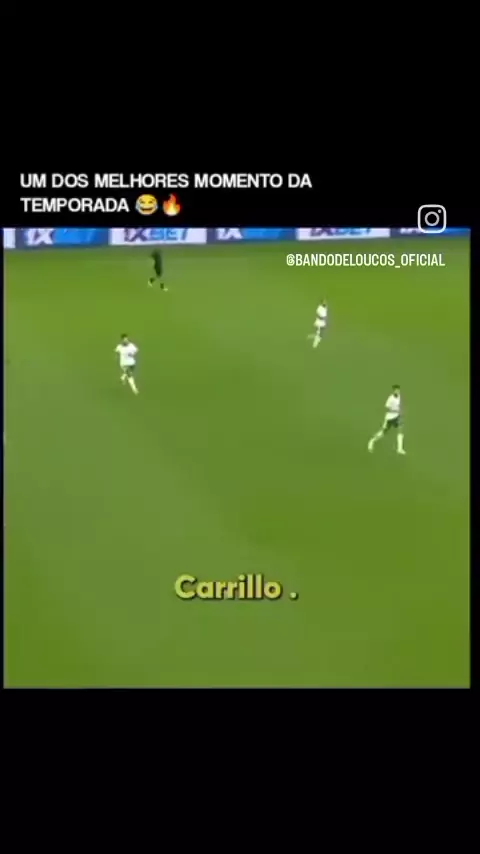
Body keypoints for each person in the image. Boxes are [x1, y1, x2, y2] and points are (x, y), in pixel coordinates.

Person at [368, 385, 405, 454]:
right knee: (383, 433)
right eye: (396, 390)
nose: (397, 391)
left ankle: (399, 449)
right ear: (393, 391)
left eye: (398, 390)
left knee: (401, 429)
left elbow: (399, 405)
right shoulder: (390, 398)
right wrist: (396, 411)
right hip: (389, 418)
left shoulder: (399, 396)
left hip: (396, 417)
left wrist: (400, 411)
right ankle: (371, 441)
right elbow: (387, 409)